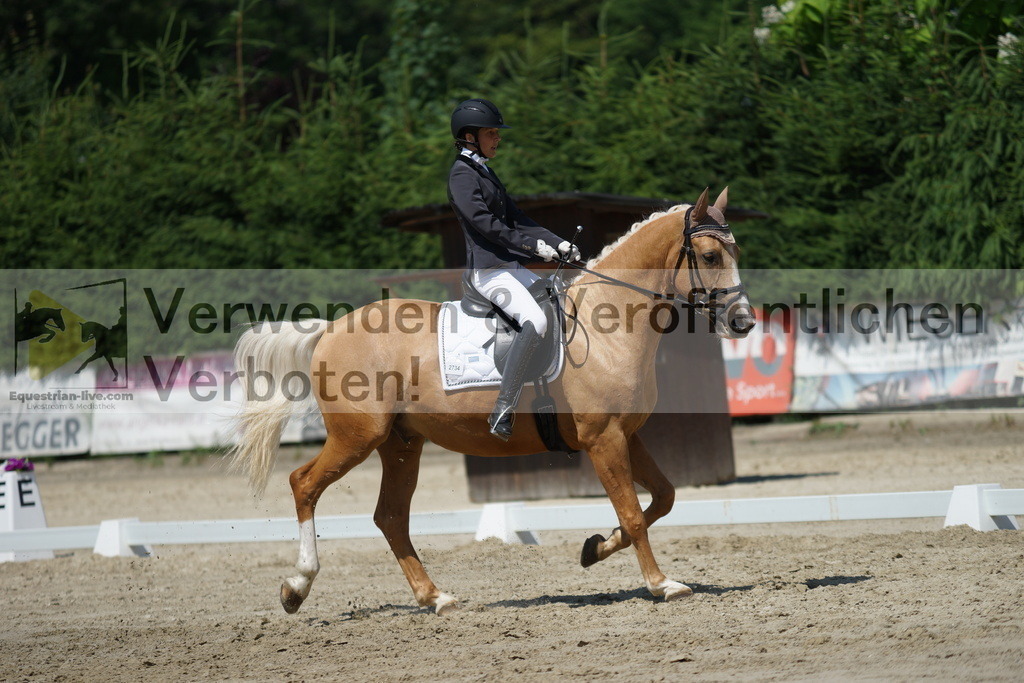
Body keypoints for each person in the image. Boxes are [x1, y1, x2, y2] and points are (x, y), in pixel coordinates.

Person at [447, 98, 580, 440]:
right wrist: (531, 246)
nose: (497, 138)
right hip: (490, 272)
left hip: (511, 267)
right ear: (469, 136)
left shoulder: (484, 171)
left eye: (496, 132)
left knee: (557, 301)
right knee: (534, 320)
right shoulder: (462, 175)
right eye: (491, 133)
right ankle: (503, 408)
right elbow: (484, 223)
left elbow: (518, 218)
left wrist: (557, 241)